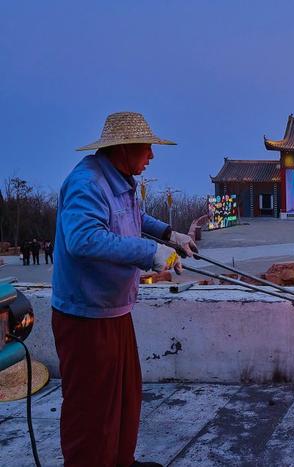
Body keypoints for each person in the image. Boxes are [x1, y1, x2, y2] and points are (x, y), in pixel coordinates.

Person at [51, 112, 197, 467]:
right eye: (146, 148)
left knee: (124, 398)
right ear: (124, 148)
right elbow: (84, 240)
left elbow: (132, 216)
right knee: (91, 407)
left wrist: (166, 234)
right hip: (84, 314)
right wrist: (151, 253)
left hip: (114, 310)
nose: (151, 155)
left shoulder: (120, 179)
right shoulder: (87, 183)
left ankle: (120, 460)